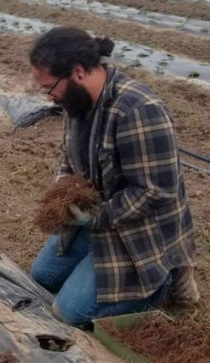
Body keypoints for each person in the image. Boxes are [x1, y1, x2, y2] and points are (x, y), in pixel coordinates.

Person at [29, 26, 198, 328]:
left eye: (50, 87)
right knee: (43, 276)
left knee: (69, 312)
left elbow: (154, 192)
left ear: (77, 71)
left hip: (141, 233)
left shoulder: (138, 110)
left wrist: (93, 218)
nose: (50, 97)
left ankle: (163, 282)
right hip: (100, 220)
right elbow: (70, 161)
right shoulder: (75, 103)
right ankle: (97, 266)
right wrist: (63, 191)